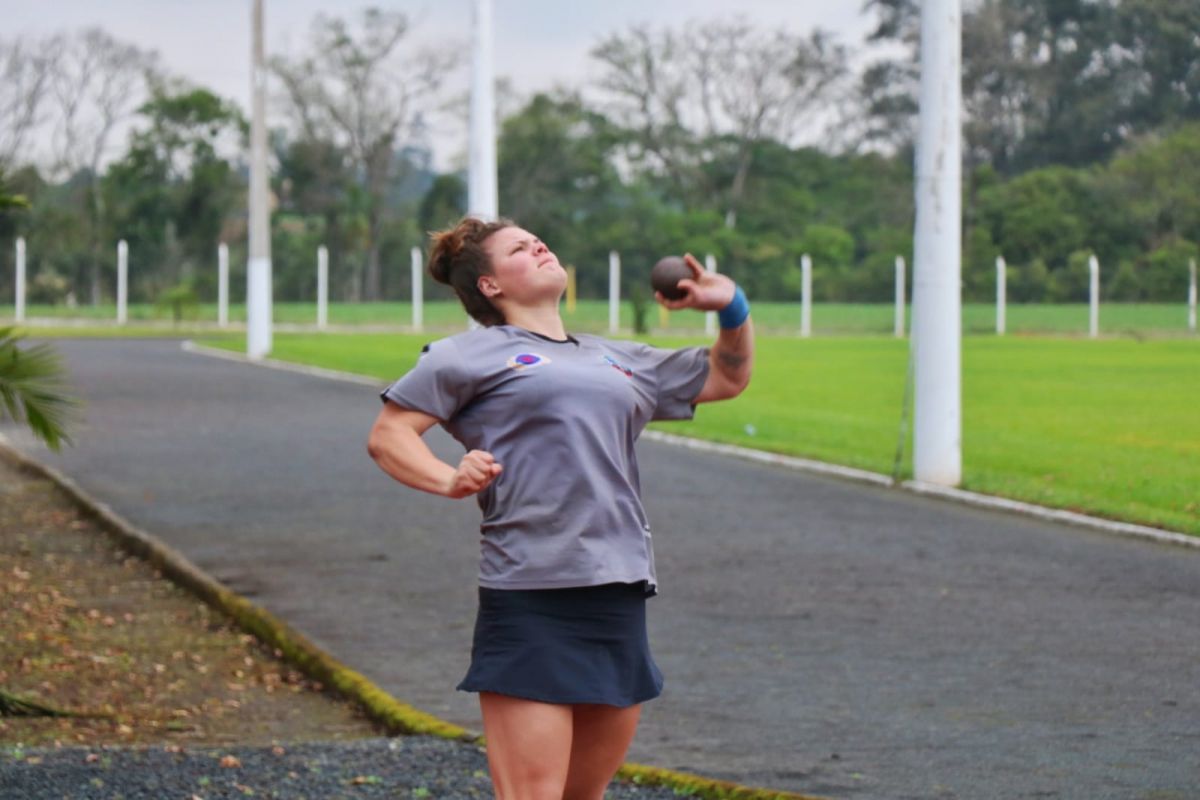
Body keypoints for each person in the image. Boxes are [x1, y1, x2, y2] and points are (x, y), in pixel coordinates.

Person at [367, 216, 753, 800]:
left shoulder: (620, 359)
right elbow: (389, 436)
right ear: (490, 286)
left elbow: (728, 377)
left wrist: (732, 307)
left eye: (538, 239)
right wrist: (450, 479)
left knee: (583, 796)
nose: (539, 246)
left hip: (617, 590)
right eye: (520, 248)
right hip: (531, 596)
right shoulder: (464, 357)